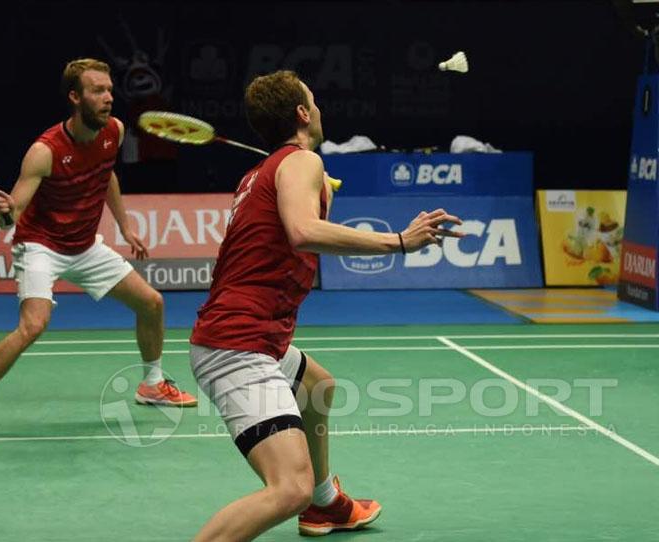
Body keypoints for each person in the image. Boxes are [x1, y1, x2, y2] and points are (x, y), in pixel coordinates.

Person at [188, 70, 463, 540]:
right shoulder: (299, 163)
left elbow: (288, 234)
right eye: (313, 101)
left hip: (250, 336)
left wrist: (317, 193)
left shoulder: (263, 173)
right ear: (301, 113)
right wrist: (397, 241)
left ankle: (325, 505)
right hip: (239, 343)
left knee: (318, 386)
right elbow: (302, 232)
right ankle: (307, 497)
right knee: (286, 488)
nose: (318, 108)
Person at [0, 58, 197, 438]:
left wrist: (125, 225)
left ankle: (152, 385)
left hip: (84, 246)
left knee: (152, 303)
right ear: (75, 97)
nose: (108, 97)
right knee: (33, 325)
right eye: (98, 91)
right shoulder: (44, 151)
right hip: (41, 246)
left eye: (110, 89)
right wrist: (3, 212)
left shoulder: (113, 130)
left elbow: (107, 171)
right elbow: (12, 214)